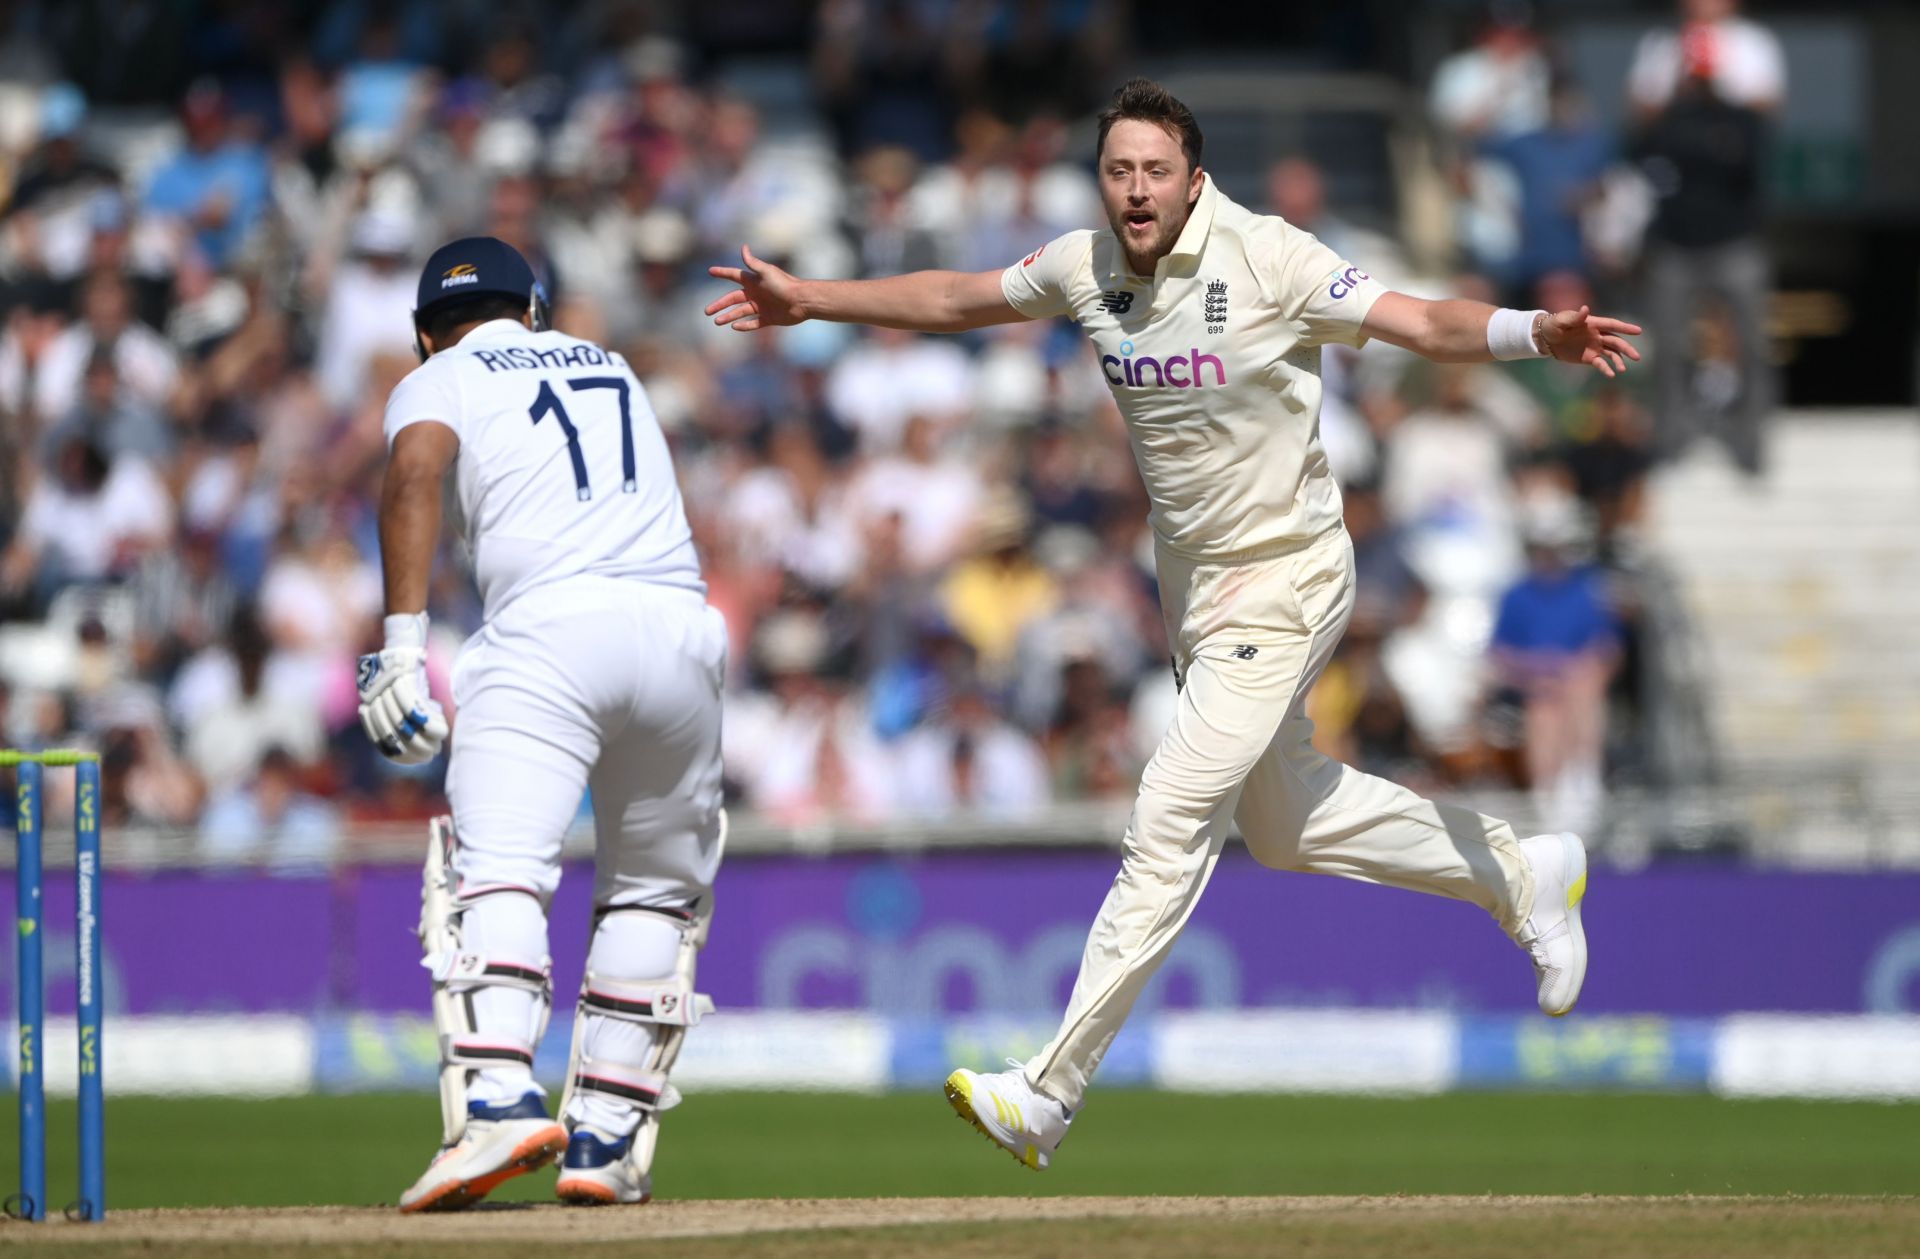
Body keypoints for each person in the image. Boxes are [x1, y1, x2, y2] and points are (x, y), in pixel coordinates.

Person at [707, 78, 1641, 1169]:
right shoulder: (1082, 265)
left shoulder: (1270, 257)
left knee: (1172, 811)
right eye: (1118, 171)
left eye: (1156, 171)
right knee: (1283, 826)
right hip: (1195, 592)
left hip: (1289, 572)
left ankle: (1049, 1089)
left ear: (1195, 179)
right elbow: (960, 299)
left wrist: (1537, 331)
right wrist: (812, 299)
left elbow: (1420, 321)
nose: (1136, 190)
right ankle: (1517, 869)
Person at [359, 237, 727, 1210]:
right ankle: (604, 1134)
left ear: (419, 334)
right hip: (681, 631)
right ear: (534, 311)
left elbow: (414, 472)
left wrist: (401, 647)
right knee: (654, 887)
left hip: (548, 630)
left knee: (499, 863)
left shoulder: (439, 375)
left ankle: (499, 1097)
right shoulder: (610, 364)